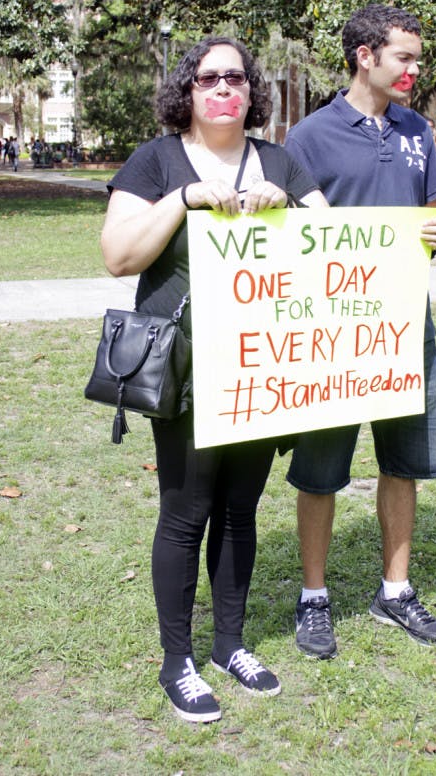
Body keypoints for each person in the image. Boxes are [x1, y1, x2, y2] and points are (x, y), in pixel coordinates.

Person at [100, 37, 328, 724]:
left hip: (261, 366)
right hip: (187, 371)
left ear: (251, 90)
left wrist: (284, 203)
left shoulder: (280, 161)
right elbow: (118, 255)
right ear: (189, 89)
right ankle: (178, 661)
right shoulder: (157, 159)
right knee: (185, 514)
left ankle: (229, 643)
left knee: (239, 509)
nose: (224, 87)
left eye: (236, 76)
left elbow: (333, 239)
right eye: (209, 77)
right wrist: (186, 198)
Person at [283, 2, 436, 658]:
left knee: (402, 464)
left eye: (415, 57)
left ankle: (395, 590)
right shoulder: (309, 137)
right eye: (403, 57)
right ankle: (314, 598)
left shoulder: (417, 131)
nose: (414, 68)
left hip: (407, 325)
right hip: (332, 335)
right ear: (365, 56)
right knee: (319, 470)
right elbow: (285, 239)